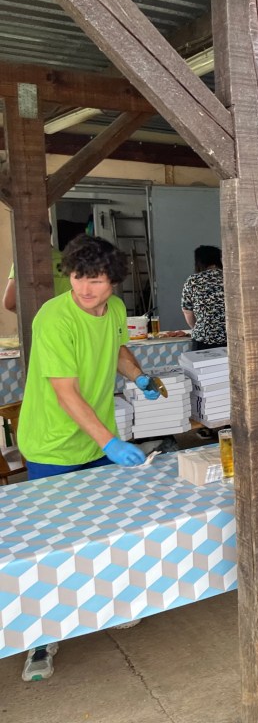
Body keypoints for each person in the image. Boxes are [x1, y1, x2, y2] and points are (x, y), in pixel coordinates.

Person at [18, 234, 163, 681]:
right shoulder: (53, 317)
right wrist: (110, 444)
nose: (84, 288)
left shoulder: (115, 309)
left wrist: (139, 378)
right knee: (52, 542)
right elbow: (66, 392)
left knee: (111, 526)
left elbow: (117, 348)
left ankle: (111, 603)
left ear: (113, 282)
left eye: (96, 280)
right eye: (79, 277)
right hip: (52, 444)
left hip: (96, 439)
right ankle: (41, 638)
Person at [181, 245, 227, 351]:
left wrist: (199, 328)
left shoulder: (193, 280)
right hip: (231, 337)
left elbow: (187, 311)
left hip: (203, 339)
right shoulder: (230, 277)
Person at [4, 242, 71, 312]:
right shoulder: (68, 260)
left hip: (40, 317)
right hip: (65, 316)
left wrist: (38, 315)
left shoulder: (23, 261)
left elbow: (9, 303)